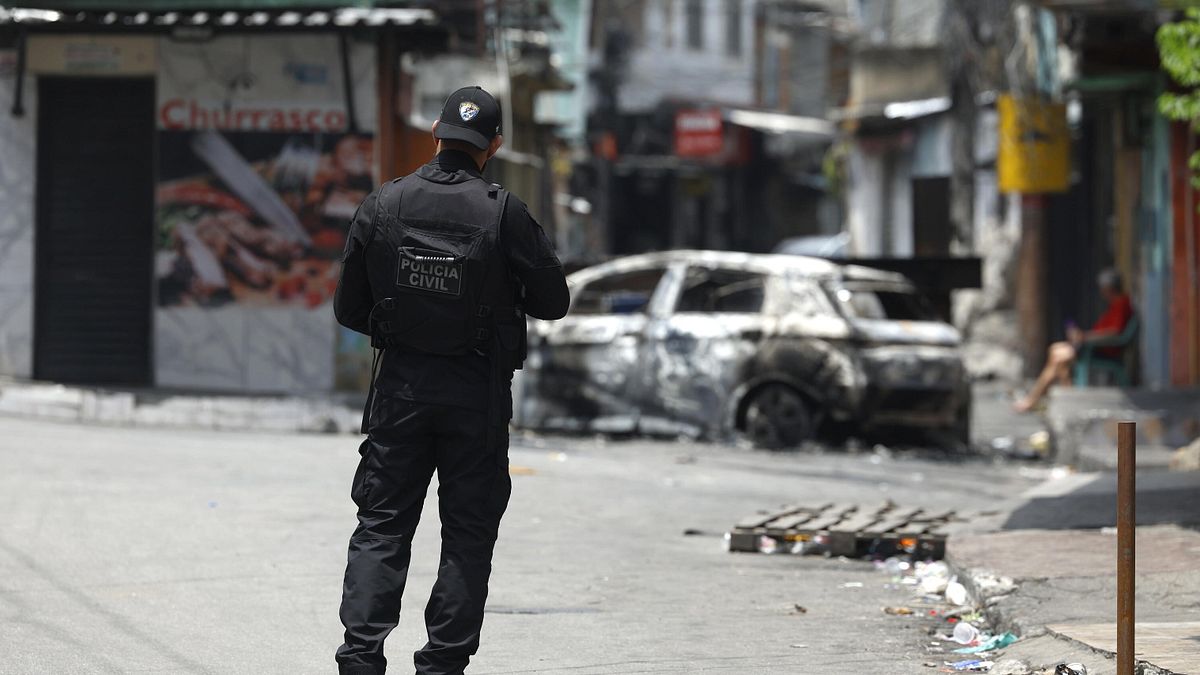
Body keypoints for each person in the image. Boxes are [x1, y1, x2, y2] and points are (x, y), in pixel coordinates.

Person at [332, 86, 570, 675]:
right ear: (493, 144)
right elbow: (554, 301)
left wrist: (406, 326)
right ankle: (442, 663)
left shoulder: (383, 204)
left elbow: (347, 309)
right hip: (476, 398)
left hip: (400, 395)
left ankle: (361, 656)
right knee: (467, 532)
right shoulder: (504, 211)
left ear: (436, 134)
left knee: (382, 523)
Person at [1014, 268, 1133, 413]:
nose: (1101, 293)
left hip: (1101, 349)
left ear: (1109, 289)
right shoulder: (1116, 304)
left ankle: (1034, 399)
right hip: (1094, 345)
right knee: (1056, 351)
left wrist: (1085, 337)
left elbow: (1114, 332)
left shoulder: (1121, 305)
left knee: (1058, 357)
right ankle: (1048, 396)